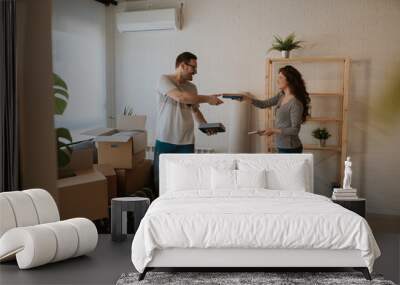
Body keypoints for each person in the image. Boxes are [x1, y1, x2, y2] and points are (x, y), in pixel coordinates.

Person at [154, 52, 223, 195]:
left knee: (185, 183)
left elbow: (195, 110)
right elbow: (180, 97)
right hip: (165, 140)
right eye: (193, 67)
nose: (196, 71)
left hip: (186, 142)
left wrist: (204, 126)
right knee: (161, 183)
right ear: (183, 65)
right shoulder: (164, 79)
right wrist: (208, 99)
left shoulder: (192, 88)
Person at [240, 65, 310, 153]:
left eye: (280, 77)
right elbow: (264, 104)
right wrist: (247, 99)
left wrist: (273, 130)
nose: (277, 81)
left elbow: (295, 130)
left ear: (289, 80)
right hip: (281, 145)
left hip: (291, 148)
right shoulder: (281, 95)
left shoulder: (295, 103)